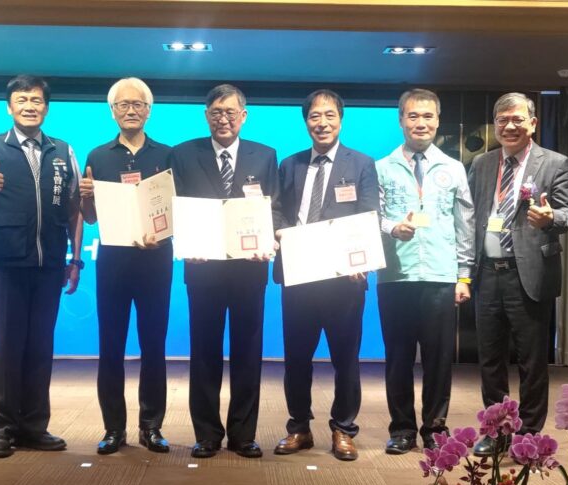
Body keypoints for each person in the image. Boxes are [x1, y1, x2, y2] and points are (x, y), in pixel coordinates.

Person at [0, 74, 83, 459]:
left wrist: (75, 259)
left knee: (39, 347)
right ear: (9, 107)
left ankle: (34, 427)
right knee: (4, 348)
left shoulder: (63, 151)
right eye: (22, 100)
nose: (29, 106)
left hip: (49, 265)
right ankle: (1, 429)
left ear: (46, 107)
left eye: (36, 100)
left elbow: (74, 210)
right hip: (4, 264)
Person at [169, 84, 278, 459]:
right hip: (203, 270)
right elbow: (175, 208)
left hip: (250, 269)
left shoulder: (265, 155)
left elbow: (275, 208)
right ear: (206, 116)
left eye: (230, 112)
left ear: (243, 116)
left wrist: (269, 239)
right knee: (204, 352)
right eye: (216, 112)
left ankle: (243, 434)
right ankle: (207, 434)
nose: (223, 119)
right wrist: (186, 242)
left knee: (248, 351)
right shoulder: (183, 154)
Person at [271, 89, 378, 461]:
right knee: (296, 359)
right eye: (315, 116)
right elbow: (278, 211)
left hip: (343, 281)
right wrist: (279, 231)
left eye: (329, 115)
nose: (322, 123)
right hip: (299, 275)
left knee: (345, 359)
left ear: (340, 120)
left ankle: (343, 429)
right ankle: (299, 427)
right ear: (306, 122)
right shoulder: (289, 164)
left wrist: (360, 259)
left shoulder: (361, 164)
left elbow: (369, 214)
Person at [468, 92, 568, 456]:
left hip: (528, 273)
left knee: (531, 361)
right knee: (490, 359)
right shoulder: (482, 164)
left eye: (517, 119)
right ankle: (496, 430)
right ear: (495, 125)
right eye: (502, 120)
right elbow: (472, 217)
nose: (509, 126)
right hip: (488, 273)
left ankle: (528, 434)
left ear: (533, 123)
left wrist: (551, 218)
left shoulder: (554, 163)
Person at [376, 88, 475, 454]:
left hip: (440, 276)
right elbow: (374, 217)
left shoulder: (453, 168)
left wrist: (464, 276)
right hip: (396, 276)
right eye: (413, 116)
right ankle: (402, 429)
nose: (421, 123)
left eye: (428, 116)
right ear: (401, 120)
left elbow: (465, 224)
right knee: (398, 358)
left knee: (438, 359)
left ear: (438, 120)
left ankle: (435, 427)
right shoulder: (381, 168)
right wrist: (392, 229)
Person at [79, 78, 172, 455]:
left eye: (138, 104)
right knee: (111, 346)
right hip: (113, 263)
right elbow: (89, 217)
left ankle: (152, 427)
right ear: (112, 111)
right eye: (123, 105)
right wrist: (86, 198)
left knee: (154, 346)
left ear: (149, 110)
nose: (131, 110)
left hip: (156, 261)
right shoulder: (97, 155)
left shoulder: (168, 155)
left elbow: (175, 210)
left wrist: (162, 234)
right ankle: (113, 428)